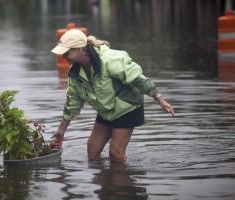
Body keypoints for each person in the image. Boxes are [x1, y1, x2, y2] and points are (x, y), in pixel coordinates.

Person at [51, 29, 175, 162]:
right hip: (107, 110)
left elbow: (138, 79)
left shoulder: (110, 59)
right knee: (92, 149)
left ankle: (121, 180)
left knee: (115, 153)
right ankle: (104, 180)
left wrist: (159, 98)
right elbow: (73, 102)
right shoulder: (75, 72)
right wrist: (61, 130)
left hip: (127, 107)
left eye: (67, 53)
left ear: (80, 49)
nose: (64, 56)